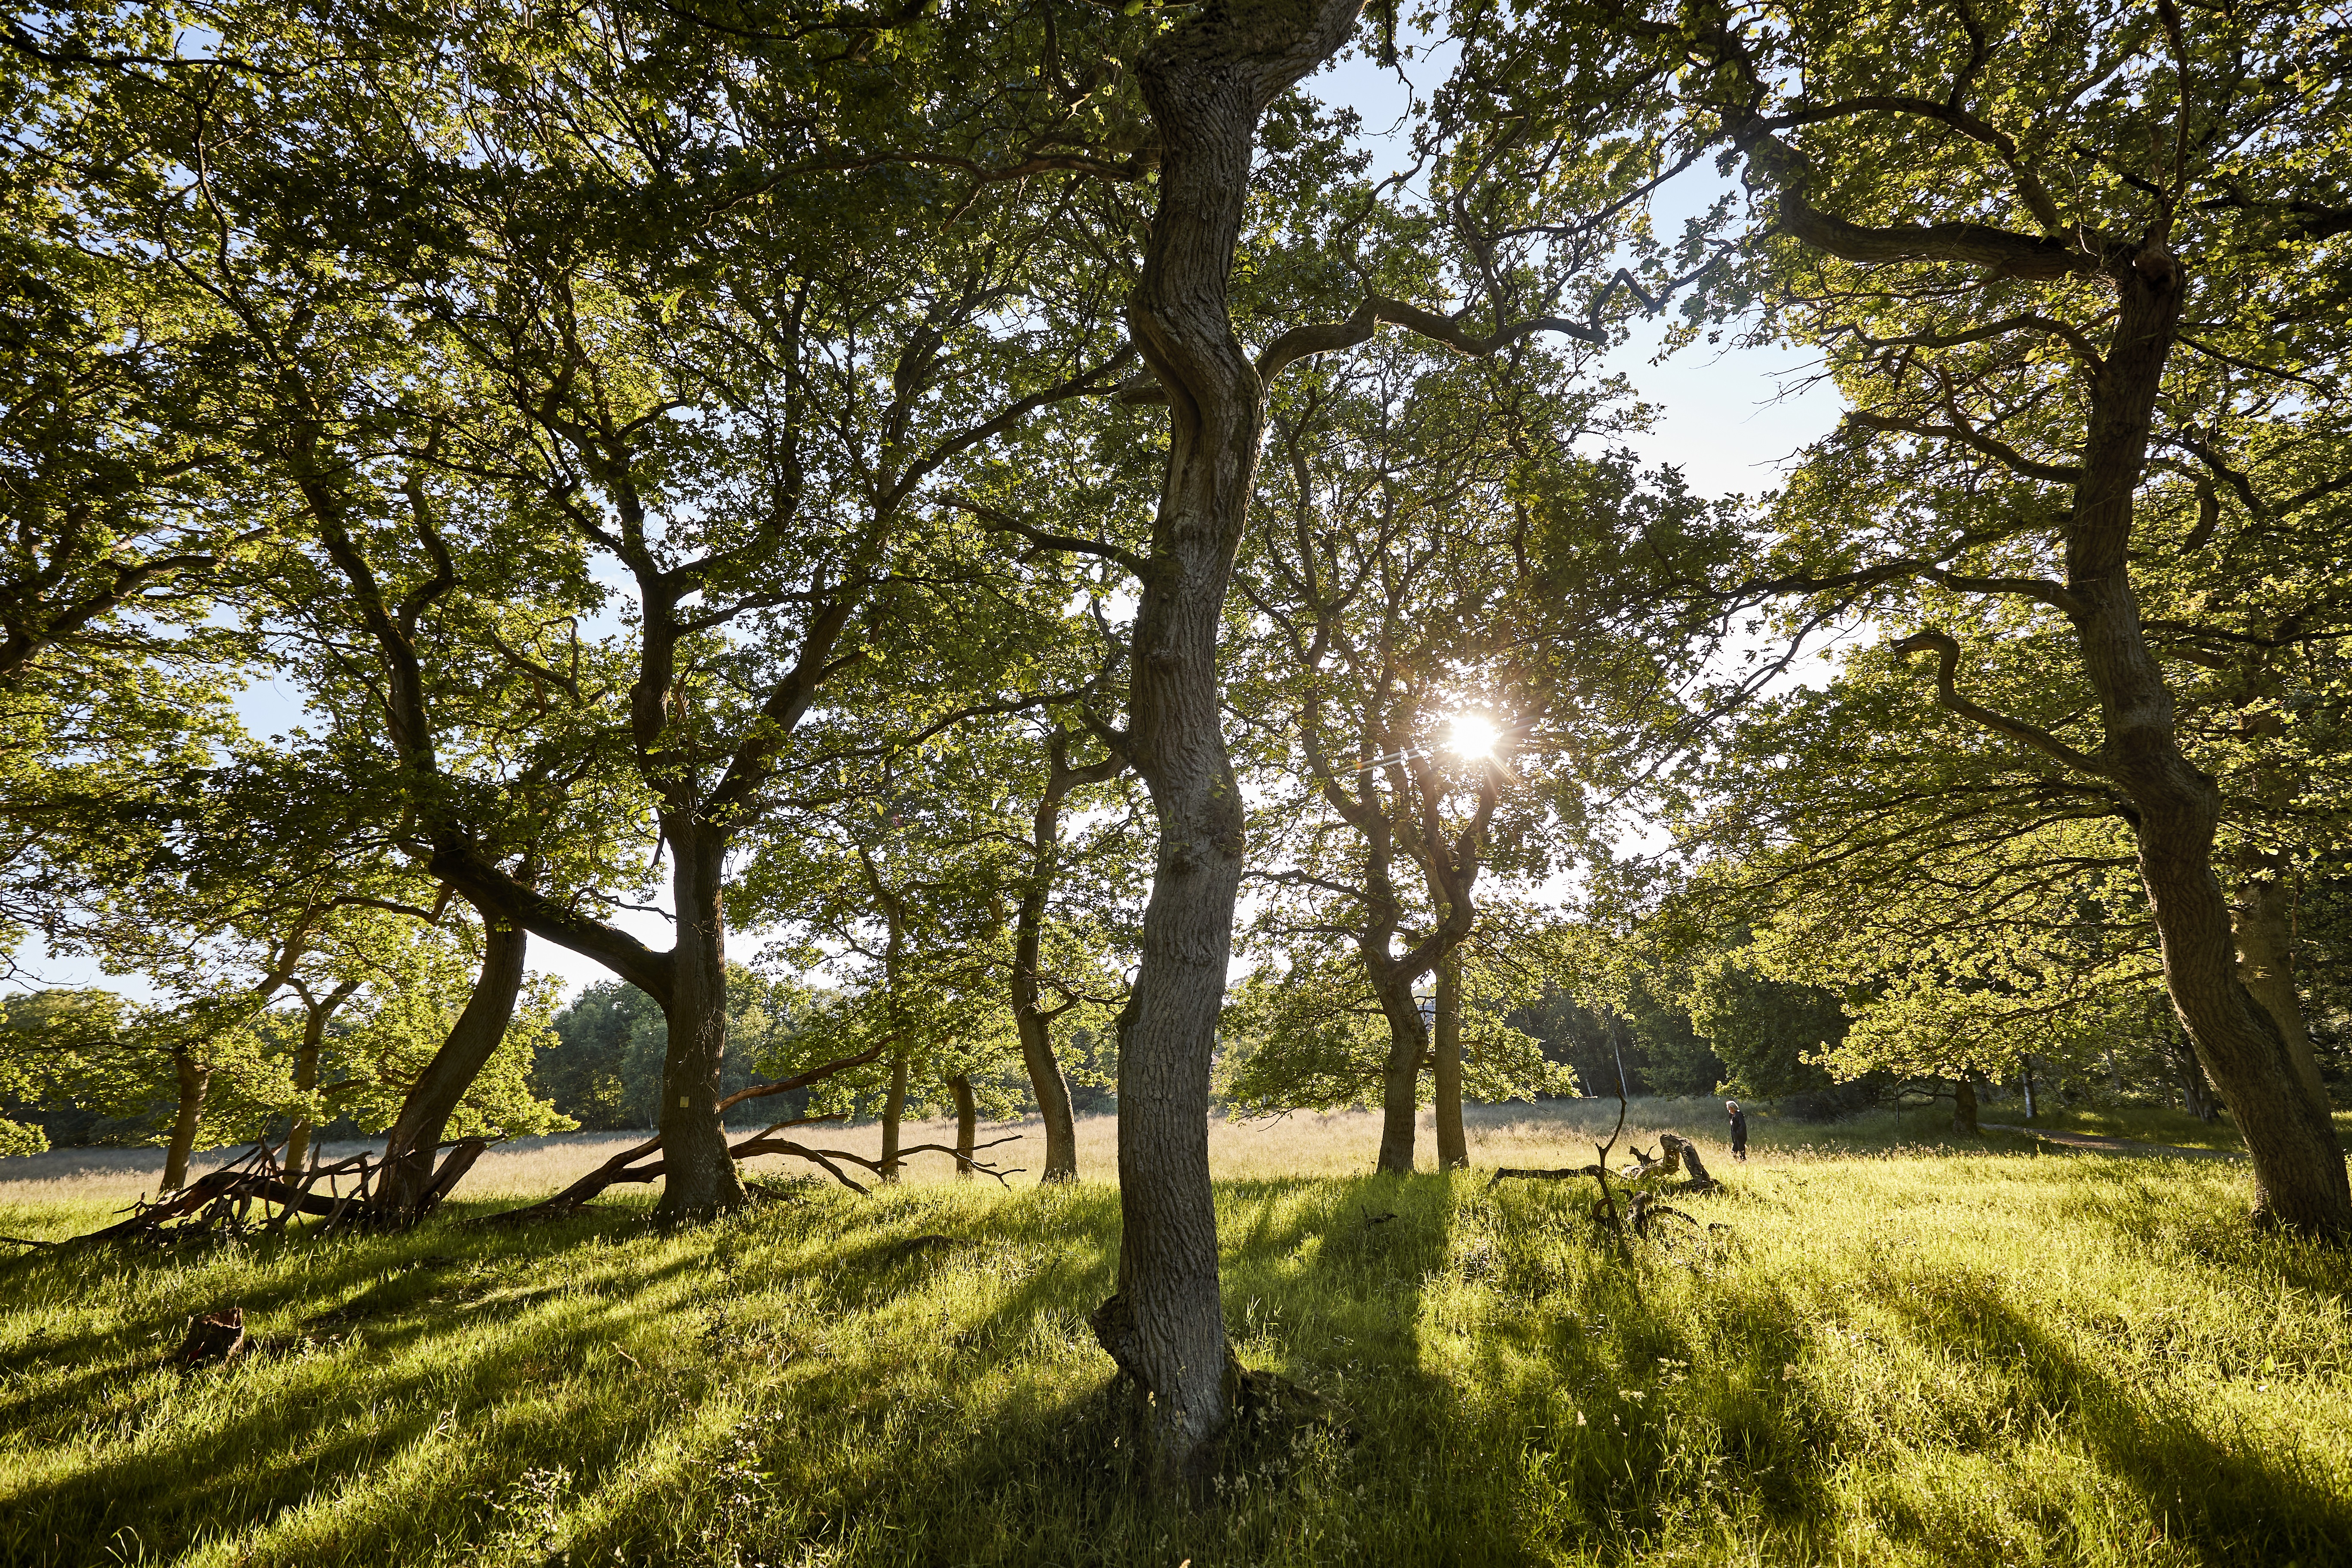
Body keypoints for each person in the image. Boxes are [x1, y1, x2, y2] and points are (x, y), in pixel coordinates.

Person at [1726, 1099, 1748, 1163]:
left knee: (1741, 1152)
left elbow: (1743, 1126)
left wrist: (1737, 1134)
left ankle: (1743, 1163)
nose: (1728, 1109)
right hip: (1736, 1138)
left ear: (1733, 1108)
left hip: (1741, 1137)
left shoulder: (1738, 1115)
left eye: (1729, 1107)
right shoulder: (1733, 1116)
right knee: (1734, 1153)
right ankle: (1739, 1163)